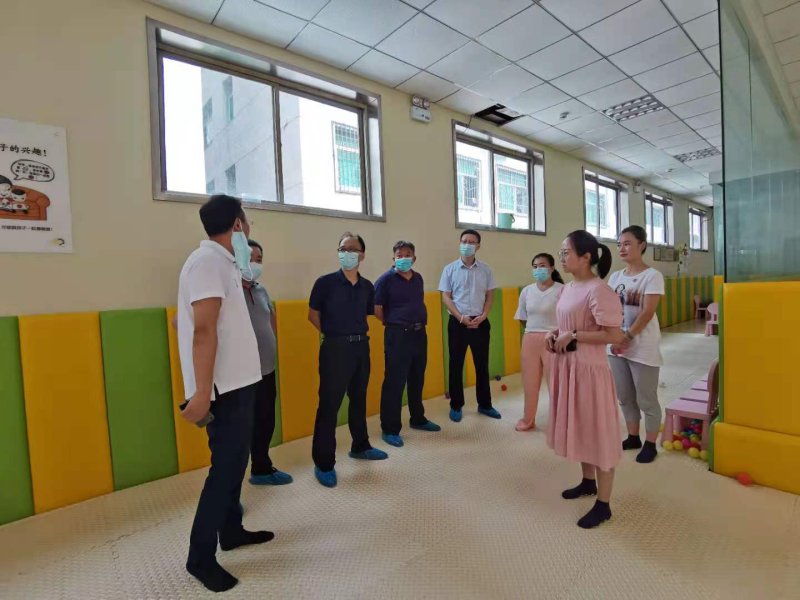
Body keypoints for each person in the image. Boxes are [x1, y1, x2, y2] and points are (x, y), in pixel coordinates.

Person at [177, 195, 273, 593]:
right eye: (246, 223)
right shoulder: (207, 263)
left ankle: (230, 530)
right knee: (224, 471)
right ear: (237, 225)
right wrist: (201, 393)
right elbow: (203, 331)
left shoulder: (227, 263)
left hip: (240, 382)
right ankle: (199, 558)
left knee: (237, 464)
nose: (248, 229)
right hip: (222, 390)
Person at [546, 230, 626, 529]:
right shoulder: (567, 288)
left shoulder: (599, 290)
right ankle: (587, 482)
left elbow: (614, 335)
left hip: (590, 372)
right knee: (581, 426)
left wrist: (574, 335)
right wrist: (556, 333)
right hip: (568, 368)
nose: (562, 257)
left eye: (566, 252)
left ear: (586, 257)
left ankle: (603, 505)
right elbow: (567, 324)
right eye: (561, 252)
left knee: (599, 433)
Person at [308, 232, 388, 488]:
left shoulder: (367, 287)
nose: (347, 253)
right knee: (329, 406)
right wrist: (334, 335)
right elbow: (313, 315)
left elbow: (370, 314)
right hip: (335, 349)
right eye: (343, 248)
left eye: (352, 249)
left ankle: (360, 446)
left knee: (359, 399)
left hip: (361, 347)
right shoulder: (325, 283)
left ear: (362, 255)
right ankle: (324, 463)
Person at [374, 241, 441, 448]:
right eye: (399, 255)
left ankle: (417, 418)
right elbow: (376, 308)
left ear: (414, 258)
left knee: (417, 378)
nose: (404, 258)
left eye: (408, 254)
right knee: (394, 382)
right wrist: (394, 323)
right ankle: (390, 428)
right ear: (393, 258)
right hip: (397, 335)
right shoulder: (385, 279)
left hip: (419, 333)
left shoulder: (418, 278)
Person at [608, 226, 666, 464]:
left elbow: (647, 313)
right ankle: (633, 437)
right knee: (624, 396)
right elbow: (609, 310)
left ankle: (651, 444)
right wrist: (613, 337)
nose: (621, 248)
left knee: (646, 399)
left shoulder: (652, 276)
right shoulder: (615, 277)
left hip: (642, 346)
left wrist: (627, 337)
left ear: (642, 245)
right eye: (619, 244)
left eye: (627, 243)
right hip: (615, 347)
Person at [242, 239, 293, 485]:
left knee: (265, 421)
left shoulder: (261, 290)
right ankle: (229, 489)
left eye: (259, 259)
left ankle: (261, 469)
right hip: (241, 374)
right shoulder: (228, 290)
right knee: (239, 428)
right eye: (249, 258)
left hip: (266, 369)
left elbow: (270, 319)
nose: (254, 263)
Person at [438, 229, 500, 423]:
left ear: (478, 246)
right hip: (457, 323)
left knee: (481, 365)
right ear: (460, 243)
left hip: (480, 322)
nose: (467, 244)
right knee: (456, 365)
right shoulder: (449, 269)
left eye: (471, 242)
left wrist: (483, 316)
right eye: (464, 241)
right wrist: (460, 317)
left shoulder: (486, 269)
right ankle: (456, 405)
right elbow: (446, 297)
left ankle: (485, 405)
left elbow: (490, 295)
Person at [514, 253, 564, 432]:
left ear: (552, 268)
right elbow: (522, 316)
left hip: (553, 340)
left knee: (556, 384)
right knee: (530, 383)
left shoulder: (562, 290)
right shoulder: (527, 291)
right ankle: (528, 419)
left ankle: (560, 421)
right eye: (535, 266)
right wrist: (533, 331)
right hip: (530, 339)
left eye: (542, 265)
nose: (538, 269)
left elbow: (567, 317)